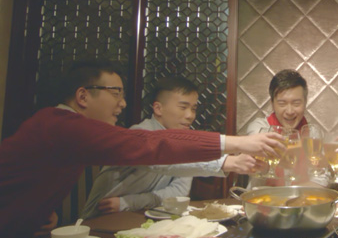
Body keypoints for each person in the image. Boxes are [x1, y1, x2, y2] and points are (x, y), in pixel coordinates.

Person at [0, 61, 282, 238]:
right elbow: (149, 147)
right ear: (83, 96)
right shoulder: (58, 124)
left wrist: (38, 214)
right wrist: (235, 143)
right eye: (115, 93)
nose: (123, 103)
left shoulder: (69, 132)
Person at [81, 76, 262, 219]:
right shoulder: (140, 134)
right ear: (158, 108)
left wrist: (128, 202)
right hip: (100, 220)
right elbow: (162, 161)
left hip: (142, 216)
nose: (190, 115)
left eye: (193, 108)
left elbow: (179, 191)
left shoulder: (183, 142)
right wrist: (228, 161)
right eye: (183, 107)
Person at [244, 69, 309, 134]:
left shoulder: (312, 132)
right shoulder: (260, 128)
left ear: (305, 102)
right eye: (282, 103)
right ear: (272, 104)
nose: (289, 112)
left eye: (296, 103)